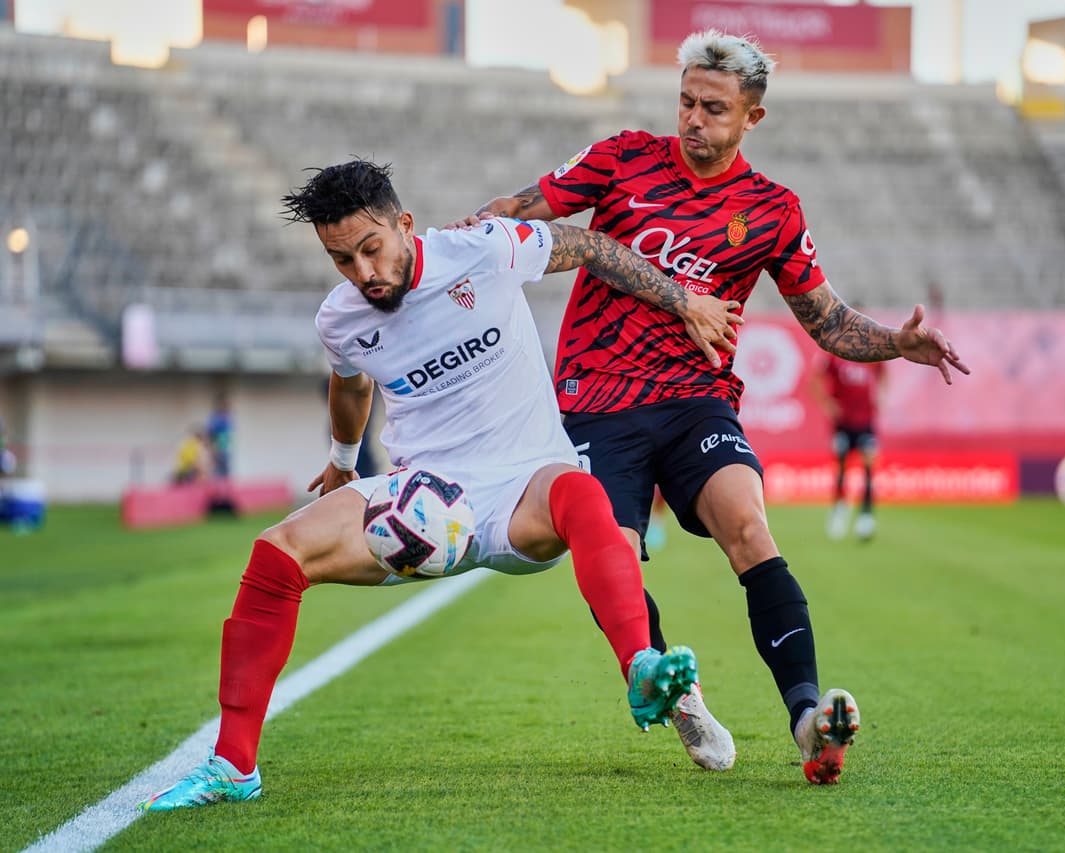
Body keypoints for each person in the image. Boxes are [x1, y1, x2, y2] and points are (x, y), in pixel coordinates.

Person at [140, 159, 743, 811]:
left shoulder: (483, 250)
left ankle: (643, 671)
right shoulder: (339, 320)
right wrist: (343, 459)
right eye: (343, 260)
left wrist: (684, 301)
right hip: (421, 503)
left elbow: (590, 244)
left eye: (372, 248)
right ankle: (233, 764)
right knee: (275, 554)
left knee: (582, 493)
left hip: (523, 485)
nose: (363, 272)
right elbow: (351, 384)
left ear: (405, 225)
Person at [452, 30, 968, 784]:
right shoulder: (622, 157)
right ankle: (674, 688)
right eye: (687, 101)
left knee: (751, 528)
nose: (693, 118)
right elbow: (516, 211)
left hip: (697, 401)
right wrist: (449, 248)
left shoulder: (771, 209)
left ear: (751, 118)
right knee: (613, 555)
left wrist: (896, 342)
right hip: (596, 402)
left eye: (714, 108)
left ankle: (807, 719)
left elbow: (824, 320)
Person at [809, 343, 885, 541]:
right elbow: (815, 378)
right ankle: (839, 512)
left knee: (868, 466)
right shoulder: (834, 355)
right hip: (843, 423)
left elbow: (884, 373)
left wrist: (881, 396)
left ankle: (866, 516)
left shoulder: (871, 353)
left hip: (866, 421)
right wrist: (827, 403)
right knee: (842, 467)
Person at [207, 394, 233, 479]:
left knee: (225, 475)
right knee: (218, 475)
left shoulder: (227, 417)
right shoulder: (216, 418)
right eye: (225, 403)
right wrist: (214, 449)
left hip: (225, 450)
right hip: (218, 451)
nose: (227, 405)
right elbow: (210, 434)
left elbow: (228, 435)